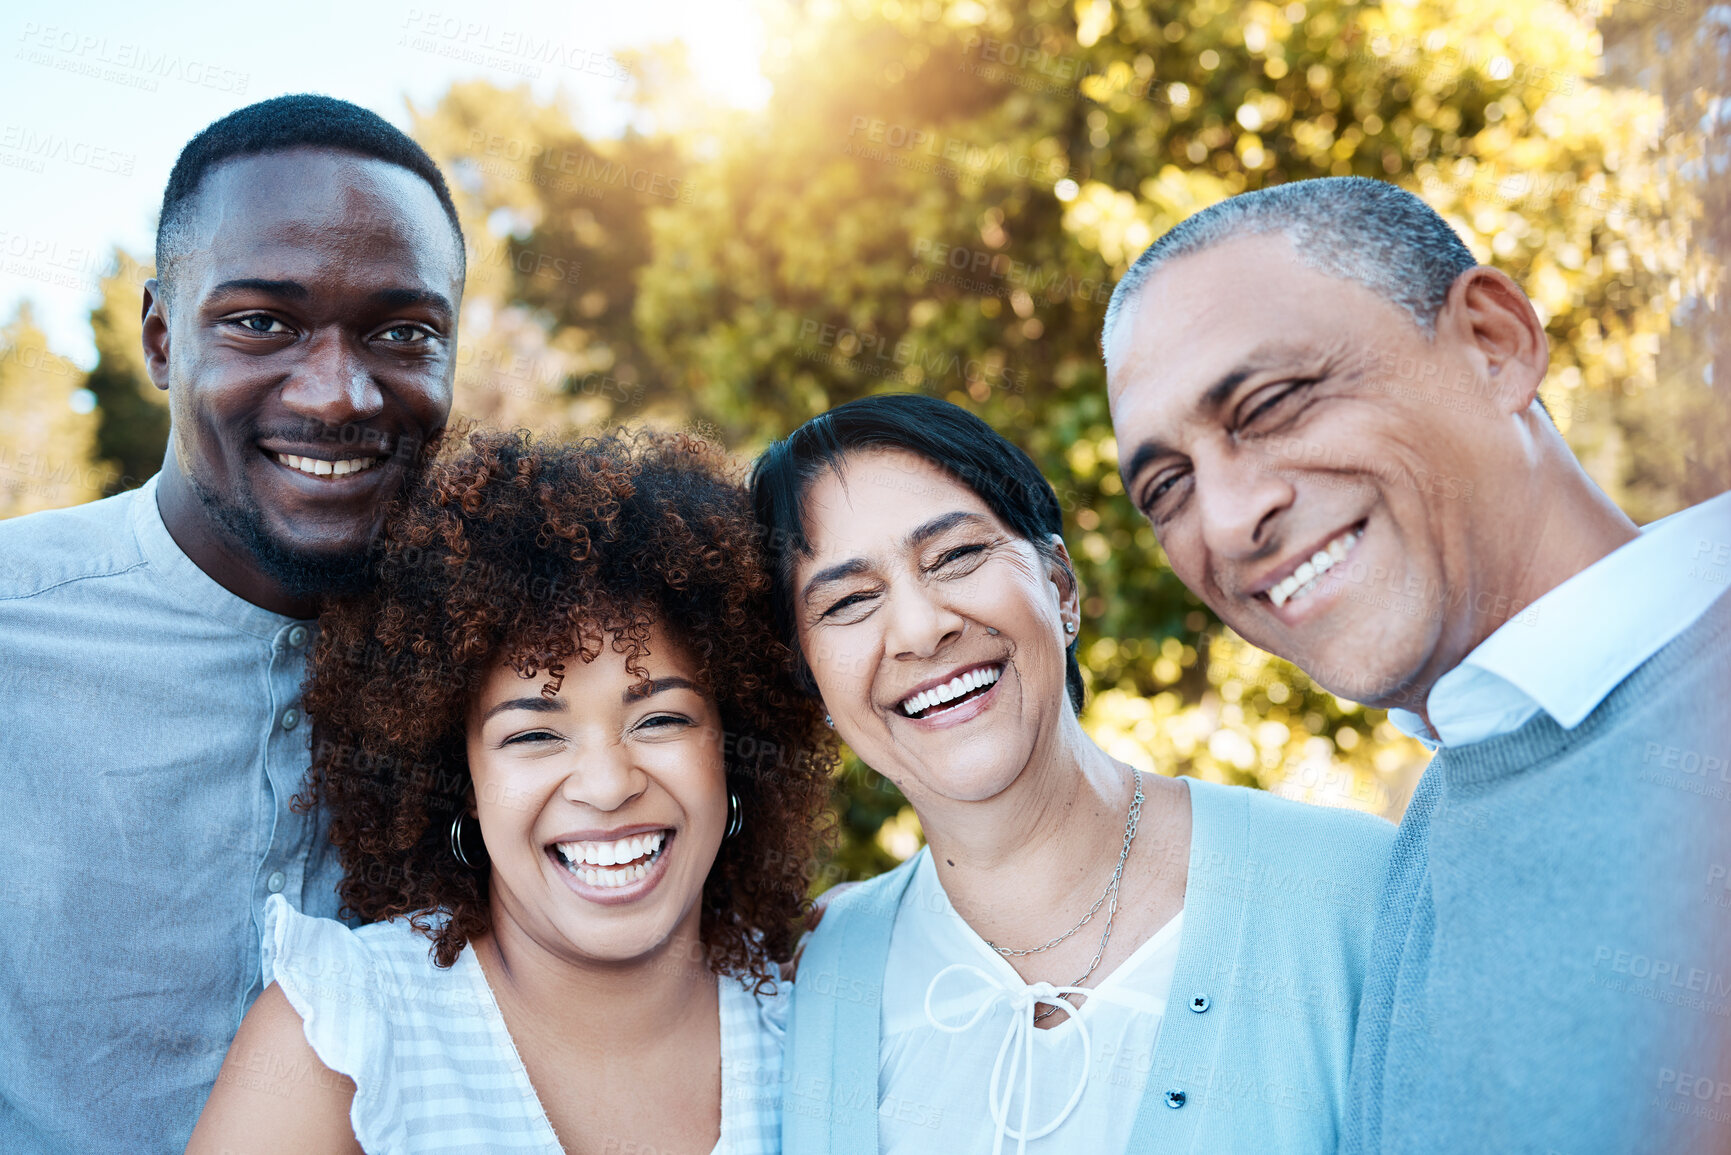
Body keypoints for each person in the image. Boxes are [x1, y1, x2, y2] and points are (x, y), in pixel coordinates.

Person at [1102, 175, 1731, 1154]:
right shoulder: (1445, 809)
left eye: (1269, 403)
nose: (1226, 521)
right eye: (1168, 486)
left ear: (1494, 344)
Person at [0, 95, 466, 1153]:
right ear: (163, 337)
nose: (341, 394)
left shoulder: (509, 673)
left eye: (404, 332)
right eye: (262, 321)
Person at [751, 393, 1394, 1155]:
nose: (921, 629)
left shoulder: (1348, 893)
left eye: (954, 555)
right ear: (809, 680)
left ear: (1059, 587)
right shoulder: (817, 977)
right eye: (850, 600)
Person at [188, 427, 835, 1153]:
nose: (608, 784)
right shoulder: (343, 1036)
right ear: (458, 776)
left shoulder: (824, 1019)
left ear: (733, 745)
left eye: (659, 719)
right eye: (532, 734)